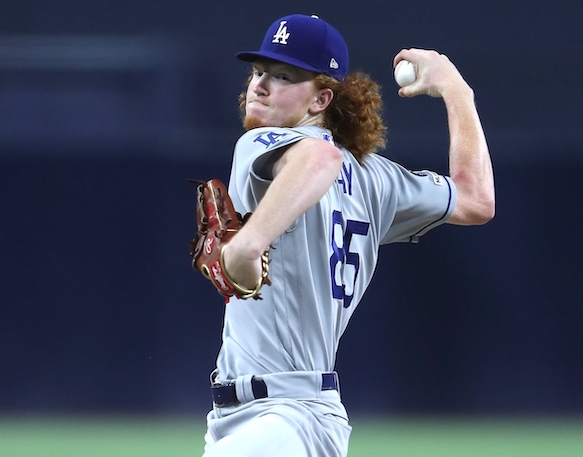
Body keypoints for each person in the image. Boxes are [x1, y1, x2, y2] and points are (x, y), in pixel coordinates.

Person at [201, 13, 495, 457]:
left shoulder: (263, 144)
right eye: (259, 71)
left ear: (321, 99)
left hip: (283, 417)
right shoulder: (376, 177)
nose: (260, 85)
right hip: (289, 417)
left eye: (283, 76)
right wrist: (458, 92)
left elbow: (320, 158)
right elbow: (476, 200)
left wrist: (248, 242)